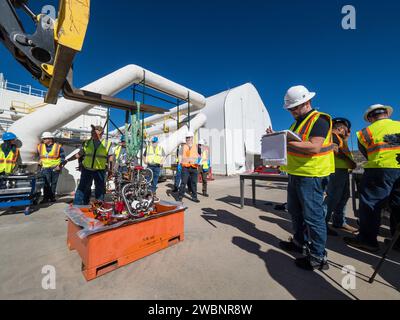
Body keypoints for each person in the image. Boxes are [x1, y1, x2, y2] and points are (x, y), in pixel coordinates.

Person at [267, 85, 334, 271]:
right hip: (296, 174)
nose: (292, 112)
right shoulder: (295, 124)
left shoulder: (320, 120)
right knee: (295, 212)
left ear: (307, 102)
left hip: (312, 175)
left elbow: (314, 147)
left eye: (295, 108)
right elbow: (293, 144)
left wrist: (285, 143)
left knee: (313, 217)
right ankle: (299, 243)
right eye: (290, 109)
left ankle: (318, 257)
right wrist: (276, 138)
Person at [344, 104, 400, 252]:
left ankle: (368, 240)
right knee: (398, 205)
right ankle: (398, 242)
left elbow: (366, 153)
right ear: (387, 113)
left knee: (371, 205)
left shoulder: (364, 133)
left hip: (379, 169)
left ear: (370, 117)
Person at [324, 118, 358, 236]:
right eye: (346, 130)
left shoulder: (340, 139)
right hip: (335, 170)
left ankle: (339, 221)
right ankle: (322, 224)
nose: (347, 133)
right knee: (332, 198)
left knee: (344, 196)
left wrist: (346, 137)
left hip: (342, 170)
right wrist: (350, 161)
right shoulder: (333, 136)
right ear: (340, 128)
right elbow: (334, 149)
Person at [69, 125, 112, 205]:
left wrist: (110, 170)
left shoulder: (107, 144)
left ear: (101, 133)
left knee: (99, 189)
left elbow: (111, 157)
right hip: (86, 169)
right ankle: (77, 205)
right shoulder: (87, 143)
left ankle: (99, 206)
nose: (93, 134)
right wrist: (67, 160)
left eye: (95, 132)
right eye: (92, 132)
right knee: (82, 188)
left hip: (100, 170)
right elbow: (79, 154)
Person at [37, 132, 65, 203]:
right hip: (45, 168)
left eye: (44, 139)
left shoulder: (58, 147)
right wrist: (39, 162)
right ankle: (45, 198)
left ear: (50, 139)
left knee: (53, 183)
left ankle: (52, 197)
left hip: (55, 168)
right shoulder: (40, 146)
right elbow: (39, 155)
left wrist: (59, 166)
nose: (43, 140)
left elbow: (62, 158)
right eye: (43, 139)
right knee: (46, 184)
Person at [178, 131, 200, 203]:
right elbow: (180, 156)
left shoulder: (196, 147)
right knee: (183, 183)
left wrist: (198, 161)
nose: (188, 139)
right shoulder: (183, 147)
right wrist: (179, 164)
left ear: (192, 138)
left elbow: (200, 157)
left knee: (194, 183)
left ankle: (194, 197)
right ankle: (180, 197)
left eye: (189, 138)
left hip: (194, 167)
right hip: (185, 168)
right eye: (187, 138)